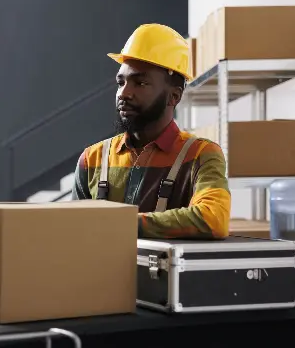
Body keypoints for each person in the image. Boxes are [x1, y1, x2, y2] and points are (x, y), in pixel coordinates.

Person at [72, 23, 231, 239]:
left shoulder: (201, 155)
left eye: (140, 83)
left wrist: (118, 223)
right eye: (121, 82)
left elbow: (213, 219)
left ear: (174, 96)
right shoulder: (92, 159)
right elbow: (73, 232)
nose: (124, 93)